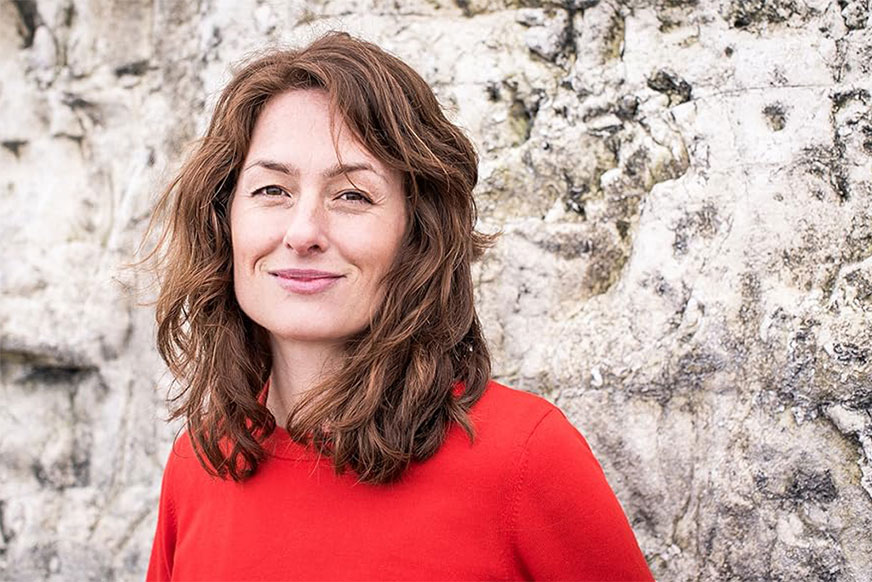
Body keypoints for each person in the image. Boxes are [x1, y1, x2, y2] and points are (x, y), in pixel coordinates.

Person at [144, 31, 654, 581]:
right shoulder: (200, 464)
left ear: (417, 236)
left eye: (353, 196)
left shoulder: (526, 457)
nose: (303, 232)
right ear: (225, 222)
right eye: (272, 190)